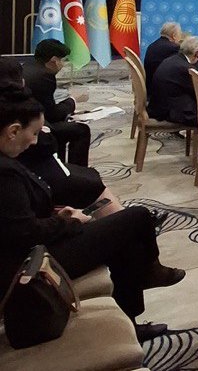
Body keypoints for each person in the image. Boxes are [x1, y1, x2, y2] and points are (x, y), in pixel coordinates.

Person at [0, 87, 185, 342]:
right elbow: (25, 233)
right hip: (29, 265)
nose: (34, 141)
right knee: (138, 218)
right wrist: (69, 222)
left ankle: (133, 311)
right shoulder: (5, 173)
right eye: (33, 133)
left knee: (126, 236)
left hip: (31, 250)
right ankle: (147, 275)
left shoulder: (8, 164)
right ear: (13, 131)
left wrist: (57, 216)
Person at [0, 59, 121, 216]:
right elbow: (46, 134)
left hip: (34, 166)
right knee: (92, 184)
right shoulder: (19, 104)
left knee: (89, 175)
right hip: (34, 173)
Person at [21, 39, 90, 166]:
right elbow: (52, 114)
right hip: (33, 127)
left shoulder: (29, 66)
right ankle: (77, 169)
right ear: (53, 60)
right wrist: (73, 100)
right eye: (62, 60)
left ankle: (62, 166)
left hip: (25, 119)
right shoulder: (44, 76)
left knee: (66, 124)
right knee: (81, 130)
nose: (63, 65)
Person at [147, 35, 198, 125]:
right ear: (197, 53)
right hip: (170, 112)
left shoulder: (172, 59)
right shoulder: (185, 69)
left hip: (158, 105)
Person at [143, 21, 182, 88]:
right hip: (160, 87)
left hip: (150, 83)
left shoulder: (152, 45)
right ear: (174, 35)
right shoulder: (173, 48)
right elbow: (179, 68)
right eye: (180, 34)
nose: (180, 37)